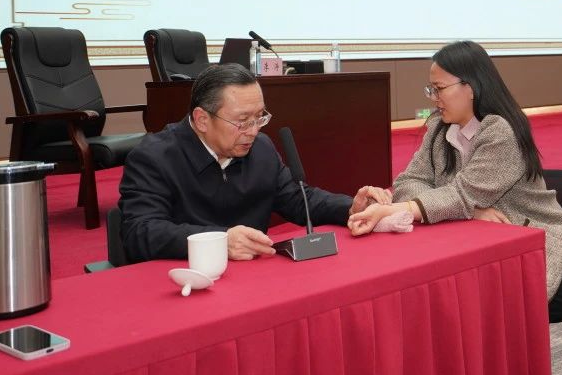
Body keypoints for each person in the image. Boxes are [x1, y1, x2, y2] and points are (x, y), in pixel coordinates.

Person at [346, 40, 562, 322]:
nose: (434, 98)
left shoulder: (501, 132)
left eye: (439, 89)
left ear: (471, 87)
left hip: (549, 257)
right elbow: (408, 182)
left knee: (458, 302)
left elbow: (460, 196)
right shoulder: (438, 129)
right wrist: (470, 212)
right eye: (431, 89)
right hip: (492, 252)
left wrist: (401, 210)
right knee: (443, 297)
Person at [119, 63, 391, 263]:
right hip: (185, 281)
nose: (253, 130)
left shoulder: (260, 148)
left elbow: (298, 199)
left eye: (259, 117)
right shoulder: (155, 157)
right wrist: (221, 240)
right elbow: (140, 232)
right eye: (242, 121)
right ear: (202, 119)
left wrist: (350, 207)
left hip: (254, 280)